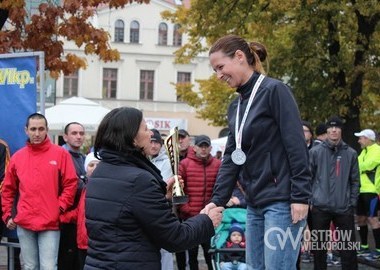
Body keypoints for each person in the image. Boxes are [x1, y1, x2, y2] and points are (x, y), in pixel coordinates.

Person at [203, 34, 311, 270]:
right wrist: (217, 201)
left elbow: (296, 145)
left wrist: (301, 195)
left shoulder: (275, 91)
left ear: (240, 57)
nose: (218, 75)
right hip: (254, 203)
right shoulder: (236, 106)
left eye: (220, 67)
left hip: (282, 202)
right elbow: (232, 158)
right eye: (214, 70)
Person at [84, 107, 224, 270]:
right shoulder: (138, 180)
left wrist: (162, 198)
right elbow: (174, 238)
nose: (151, 134)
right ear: (132, 139)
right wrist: (206, 221)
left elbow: (127, 215)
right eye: (145, 128)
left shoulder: (101, 171)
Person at [1, 113, 78, 270]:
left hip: (50, 222)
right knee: (30, 266)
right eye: (33, 129)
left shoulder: (61, 154)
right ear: (26, 130)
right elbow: (8, 189)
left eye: (41, 129)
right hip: (25, 221)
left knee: (48, 267)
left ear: (47, 130)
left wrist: (60, 207)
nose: (37, 133)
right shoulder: (18, 157)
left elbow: (71, 183)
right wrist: (7, 214)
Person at [309, 116, 359, 270]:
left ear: (341, 130)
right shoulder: (316, 152)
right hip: (320, 207)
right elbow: (308, 178)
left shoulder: (350, 153)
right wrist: (311, 201)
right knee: (319, 249)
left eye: (337, 127)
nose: (334, 130)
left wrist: (351, 203)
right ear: (327, 130)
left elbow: (355, 181)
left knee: (348, 248)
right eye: (330, 127)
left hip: (343, 207)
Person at [178, 134, 221, 270]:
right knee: (192, 256)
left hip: (210, 218)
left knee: (211, 255)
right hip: (191, 218)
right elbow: (179, 188)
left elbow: (220, 187)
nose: (203, 149)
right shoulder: (184, 164)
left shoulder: (217, 164)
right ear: (194, 148)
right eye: (200, 146)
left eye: (206, 146)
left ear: (210, 148)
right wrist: (186, 208)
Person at [59, 122, 87, 270]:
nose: (78, 136)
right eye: (74, 133)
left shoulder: (84, 158)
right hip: (64, 218)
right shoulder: (61, 156)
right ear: (65, 137)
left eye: (81, 133)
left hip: (79, 219)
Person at [149, 128, 175, 270]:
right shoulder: (142, 160)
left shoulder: (167, 162)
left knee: (164, 251)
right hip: (146, 210)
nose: (153, 146)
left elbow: (163, 186)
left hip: (162, 209)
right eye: (151, 142)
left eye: (156, 142)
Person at [354, 128, 380, 260]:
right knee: (360, 219)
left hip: (373, 191)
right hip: (361, 190)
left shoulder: (377, 150)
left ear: (368, 139)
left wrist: (359, 166)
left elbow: (368, 165)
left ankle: (378, 249)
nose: (359, 141)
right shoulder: (363, 152)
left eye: (361, 138)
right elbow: (357, 165)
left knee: (373, 219)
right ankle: (364, 246)